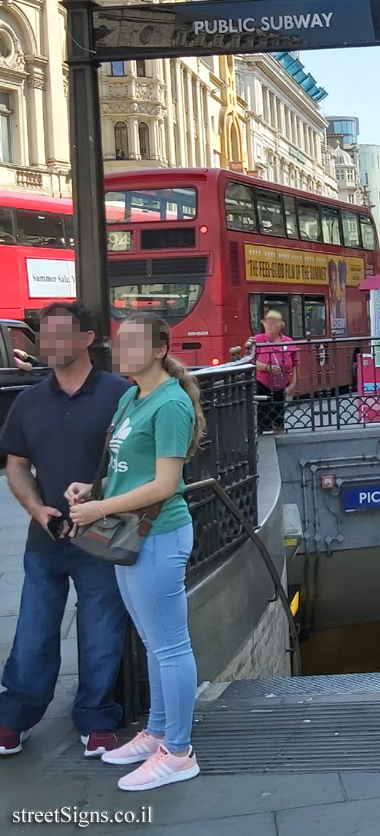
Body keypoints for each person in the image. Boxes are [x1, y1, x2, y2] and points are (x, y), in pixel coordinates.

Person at [68, 311, 203, 791]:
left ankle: (180, 751)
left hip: (158, 534)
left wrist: (101, 505)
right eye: (118, 342)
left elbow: (166, 484)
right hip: (134, 533)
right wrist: (93, 488)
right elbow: (129, 468)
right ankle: (158, 733)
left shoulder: (170, 404)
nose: (118, 350)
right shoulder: (131, 396)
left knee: (170, 646)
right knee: (155, 643)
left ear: (160, 349)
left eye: (129, 343)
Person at [0, 302, 131, 759]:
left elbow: (138, 466)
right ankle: (14, 717)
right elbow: (16, 464)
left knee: (101, 633)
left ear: (87, 339)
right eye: (45, 334)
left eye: (59, 333)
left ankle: (96, 718)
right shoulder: (28, 401)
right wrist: (35, 508)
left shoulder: (121, 395)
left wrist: (99, 498)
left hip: (101, 538)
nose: (49, 342)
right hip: (45, 541)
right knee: (33, 632)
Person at [231, 310, 297, 434]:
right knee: (263, 414)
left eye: (273, 323)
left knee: (279, 414)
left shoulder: (288, 341)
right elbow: (250, 361)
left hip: (282, 385)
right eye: (267, 323)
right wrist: (267, 367)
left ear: (279, 326)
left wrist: (294, 383)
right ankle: (262, 436)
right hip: (262, 383)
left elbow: (295, 364)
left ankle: (279, 436)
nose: (269, 325)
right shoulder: (257, 340)